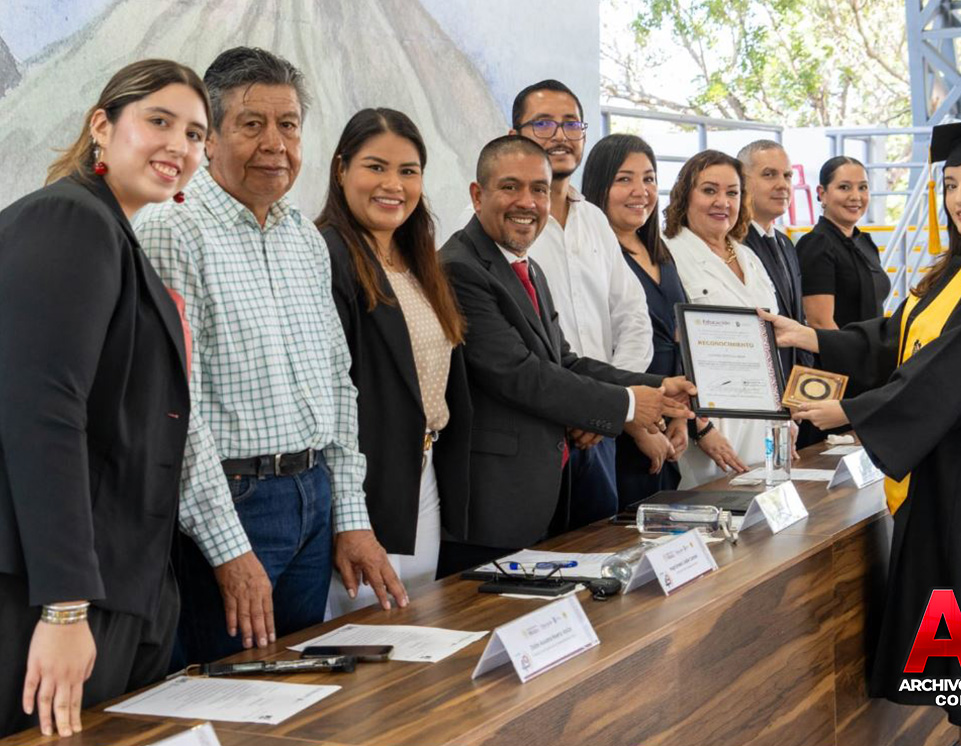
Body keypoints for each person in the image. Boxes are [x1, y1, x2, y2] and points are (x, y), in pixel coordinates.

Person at [768, 115, 961, 744]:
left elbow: (950, 369)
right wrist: (813, 338)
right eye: (951, 184)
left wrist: (853, 412)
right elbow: (896, 334)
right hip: (948, 464)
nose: (960, 197)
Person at [0, 59, 209, 745]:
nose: (179, 146)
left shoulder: (112, 233)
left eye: (194, 134)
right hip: (27, 585)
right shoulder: (68, 219)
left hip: (94, 580)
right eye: (159, 121)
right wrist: (65, 608)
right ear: (103, 125)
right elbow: (45, 415)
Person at [136, 48, 400, 667]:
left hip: (313, 494)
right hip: (227, 504)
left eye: (288, 125)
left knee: (303, 694)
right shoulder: (172, 231)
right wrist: (227, 546)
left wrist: (350, 515)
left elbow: (337, 383)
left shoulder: (303, 237)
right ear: (209, 137)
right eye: (252, 125)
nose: (275, 144)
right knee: (224, 690)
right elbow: (172, 410)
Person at [437, 135, 695, 575]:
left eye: (539, 189)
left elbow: (565, 361)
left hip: (547, 487)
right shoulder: (459, 267)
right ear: (478, 196)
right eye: (511, 187)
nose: (528, 202)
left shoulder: (527, 266)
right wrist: (628, 404)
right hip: (492, 503)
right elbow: (518, 374)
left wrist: (655, 386)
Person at [316, 108, 470, 615]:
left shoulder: (417, 258)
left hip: (422, 471)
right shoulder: (327, 254)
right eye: (375, 167)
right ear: (342, 169)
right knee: (365, 627)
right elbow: (330, 391)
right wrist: (348, 517)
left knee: (418, 620)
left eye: (408, 171)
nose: (393, 185)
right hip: (364, 480)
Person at [503, 80, 653, 528]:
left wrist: (609, 403)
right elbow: (509, 346)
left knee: (600, 549)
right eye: (543, 124)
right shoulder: (501, 222)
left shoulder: (593, 220)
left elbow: (632, 317)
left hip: (600, 433)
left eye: (572, 124)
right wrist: (586, 406)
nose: (560, 135)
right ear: (514, 136)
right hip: (536, 433)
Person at [581, 133, 687, 509]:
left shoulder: (662, 254)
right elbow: (592, 353)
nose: (640, 191)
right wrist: (636, 426)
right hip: (620, 423)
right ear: (599, 186)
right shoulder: (594, 257)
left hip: (665, 418)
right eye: (624, 179)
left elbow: (680, 338)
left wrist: (681, 417)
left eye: (649, 179)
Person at [661, 150, 775, 488]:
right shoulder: (668, 253)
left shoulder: (748, 256)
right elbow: (667, 353)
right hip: (708, 425)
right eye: (709, 190)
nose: (722, 202)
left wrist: (783, 416)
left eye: (732, 193)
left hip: (760, 419)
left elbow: (770, 342)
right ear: (685, 195)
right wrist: (701, 427)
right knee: (710, 509)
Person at [737, 139, 813, 378]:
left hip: (790, 381)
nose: (782, 185)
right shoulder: (732, 244)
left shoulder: (785, 243)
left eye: (787, 176)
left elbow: (796, 319)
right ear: (742, 181)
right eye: (769, 175)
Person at [797, 156, 890, 332]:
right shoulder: (816, 245)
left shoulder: (865, 243)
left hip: (870, 346)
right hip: (841, 348)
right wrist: (852, 350)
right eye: (844, 187)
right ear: (822, 193)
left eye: (862, 187)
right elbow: (820, 323)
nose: (856, 196)